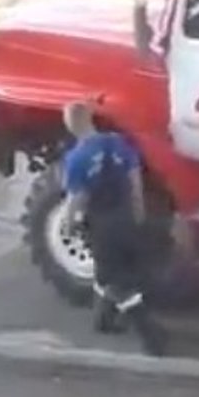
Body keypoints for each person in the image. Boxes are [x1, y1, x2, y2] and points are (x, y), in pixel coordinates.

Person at [60, 101, 167, 356]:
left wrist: (68, 222)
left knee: (115, 282)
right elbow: (135, 176)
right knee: (112, 272)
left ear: (70, 125)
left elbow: (79, 197)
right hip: (126, 216)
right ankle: (103, 321)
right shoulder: (117, 142)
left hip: (102, 224)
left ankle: (152, 338)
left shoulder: (77, 158)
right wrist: (138, 210)